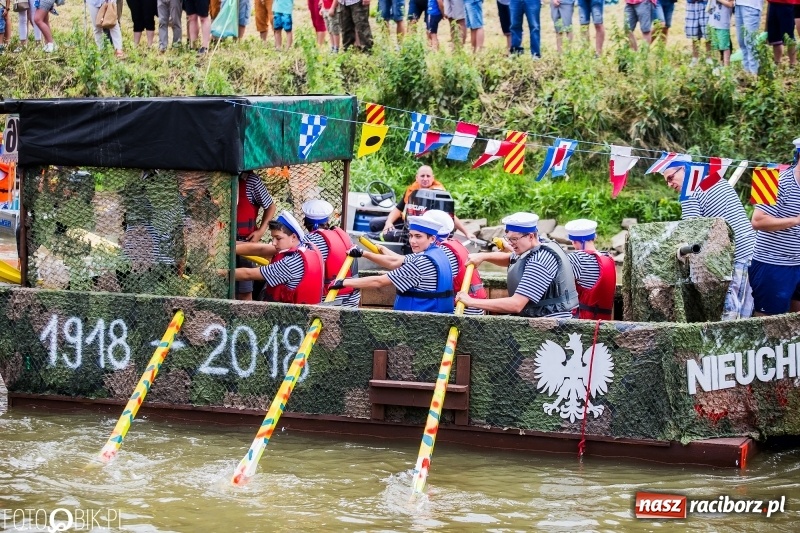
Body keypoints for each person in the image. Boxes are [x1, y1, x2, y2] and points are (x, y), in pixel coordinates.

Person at [662, 163, 755, 319]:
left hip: (737, 256)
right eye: (666, 181)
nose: (670, 184)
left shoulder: (689, 191)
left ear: (684, 169)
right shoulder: (715, 180)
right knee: (746, 314)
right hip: (752, 251)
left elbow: (691, 236)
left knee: (731, 315)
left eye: (671, 177)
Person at [455, 212, 578, 318]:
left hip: (552, 324)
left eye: (514, 239)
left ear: (531, 236)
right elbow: (510, 258)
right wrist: (483, 256)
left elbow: (516, 304)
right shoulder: (531, 248)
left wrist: (470, 301)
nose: (510, 244)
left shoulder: (540, 261)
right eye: (508, 239)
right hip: (537, 318)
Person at [334, 215, 455, 313]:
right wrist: (363, 253)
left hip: (421, 324)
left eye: (418, 237)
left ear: (432, 239)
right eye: (411, 236)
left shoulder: (421, 263)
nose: (412, 241)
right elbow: (396, 261)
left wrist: (343, 282)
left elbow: (379, 282)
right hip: (435, 317)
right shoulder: (438, 253)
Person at [748, 140, 800, 316]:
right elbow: (757, 221)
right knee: (768, 326)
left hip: (797, 262)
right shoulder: (772, 178)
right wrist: (796, 220)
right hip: (771, 264)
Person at [232, 211, 324, 305]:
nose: (273, 243)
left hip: (290, 316)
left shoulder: (290, 263)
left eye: (278, 238)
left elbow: (248, 274)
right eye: (273, 238)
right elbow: (261, 249)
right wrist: (229, 247)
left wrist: (218, 273)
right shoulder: (306, 246)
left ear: (293, 237)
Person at [370, 165, 477, 241]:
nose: (425, 179)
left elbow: (449, 217)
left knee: (387, 234)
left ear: (432, 178)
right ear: (417, 178)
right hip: (406, 221)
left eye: (428, 176)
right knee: (374, 223)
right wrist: (389, 222)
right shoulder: (412, 190)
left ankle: (372, 238)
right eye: (422, 176)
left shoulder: (439, 194)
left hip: (420, 229)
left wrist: (467, 232)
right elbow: (398, 209)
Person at [301, 199, 361, 307]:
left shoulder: (307, 241)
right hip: (352, 299)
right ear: (327, 221)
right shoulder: (343, 236)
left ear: (305, 221)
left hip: (328, 301)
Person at [235, 170, 276, 301]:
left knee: (244, 290)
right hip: (219, 244)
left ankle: (245, 319)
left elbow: (270, 206)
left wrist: (260, 231)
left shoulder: (251, 180)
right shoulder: (216, 179)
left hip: (246, 242)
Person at [564, 219, 615, 320]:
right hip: (605, 322)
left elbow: (558, 286)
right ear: (594, 237)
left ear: (573, 241)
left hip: (583, 323)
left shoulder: (576, 258)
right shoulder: (609, 259)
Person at [767, 0, 797, 67]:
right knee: (774, 36)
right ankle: (777, 63)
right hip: (772, 3)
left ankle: (793, 64)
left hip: (787, 4)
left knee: (789, 36)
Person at [736, 0, 763, 75]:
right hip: (738, 5)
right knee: (741, 42)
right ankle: (746, 73)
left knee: (750, 42)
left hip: (751, 6)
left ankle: (753, 73)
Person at [685, 0, 711, 65]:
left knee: (707, 32)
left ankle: (709, 58)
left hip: (706, 4)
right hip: (692, 4)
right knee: (694, 32)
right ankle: (695, 58)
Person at [709, 0, 733, 66]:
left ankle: (726, 68)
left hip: (723, 24)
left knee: (725, 46)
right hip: (713, 22)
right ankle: (716, 66)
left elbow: (731, 4)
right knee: (714, 46)